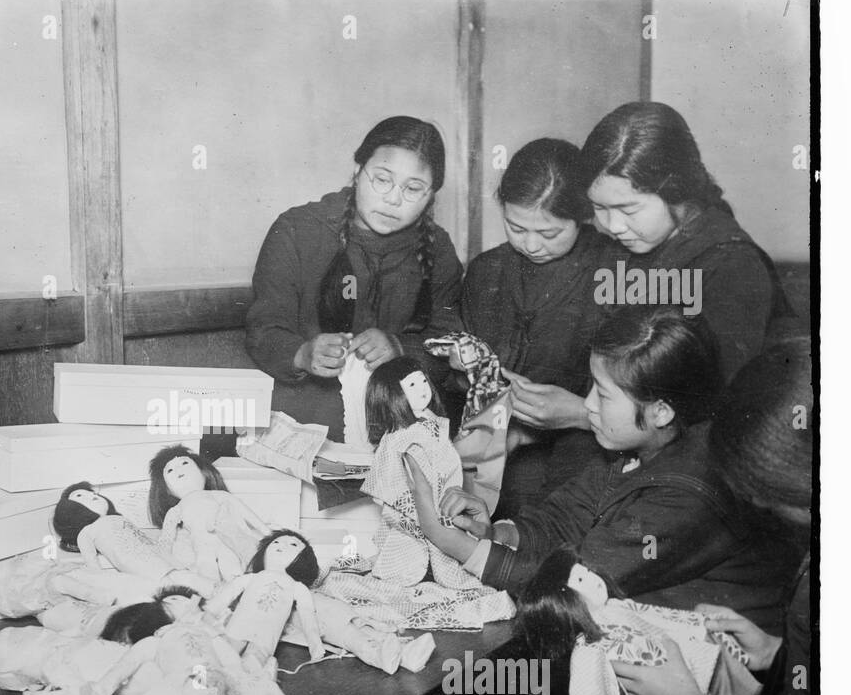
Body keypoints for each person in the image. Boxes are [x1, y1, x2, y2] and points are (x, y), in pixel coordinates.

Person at [487, 338, 813, 695]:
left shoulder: (687, 489)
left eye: (765, 495)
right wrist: (777, 655)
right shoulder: (640, 454)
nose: (756, 501)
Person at [404, 311, 798, 630]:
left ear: (661, 412)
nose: (588, 404)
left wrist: (458, 546)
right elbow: (563, 519)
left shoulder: (688, 493)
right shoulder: (640, 448)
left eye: (603, 394)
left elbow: (578, 581)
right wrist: (495, 533)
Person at [246, 115, 464, 440]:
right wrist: (302, 353)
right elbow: (264, 329)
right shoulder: (296, 230)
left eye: (413, 188)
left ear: (431, 194)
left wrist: (400, 347)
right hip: (306, 424)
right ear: (358, 170)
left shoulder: (439, 248)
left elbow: (449, 342)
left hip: (399, 426)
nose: (393, 199)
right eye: (382, 179)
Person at [450, 138, 622, 512]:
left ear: (584, 216)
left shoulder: (617, 272)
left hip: (591, 451)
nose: (530, 245)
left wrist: (581, 412)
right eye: (515, 227)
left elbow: (654, 396)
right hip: (497, 445)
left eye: (549, 233)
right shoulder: (486, 271)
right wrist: (468, 370)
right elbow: (460, 365)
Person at [580, 101, 799, 380]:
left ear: (676, 191)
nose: (613, 226)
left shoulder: (733, 265)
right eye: (599, 207)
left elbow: (717, 393)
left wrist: (584, 406)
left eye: (629, 210)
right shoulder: (628, 243)